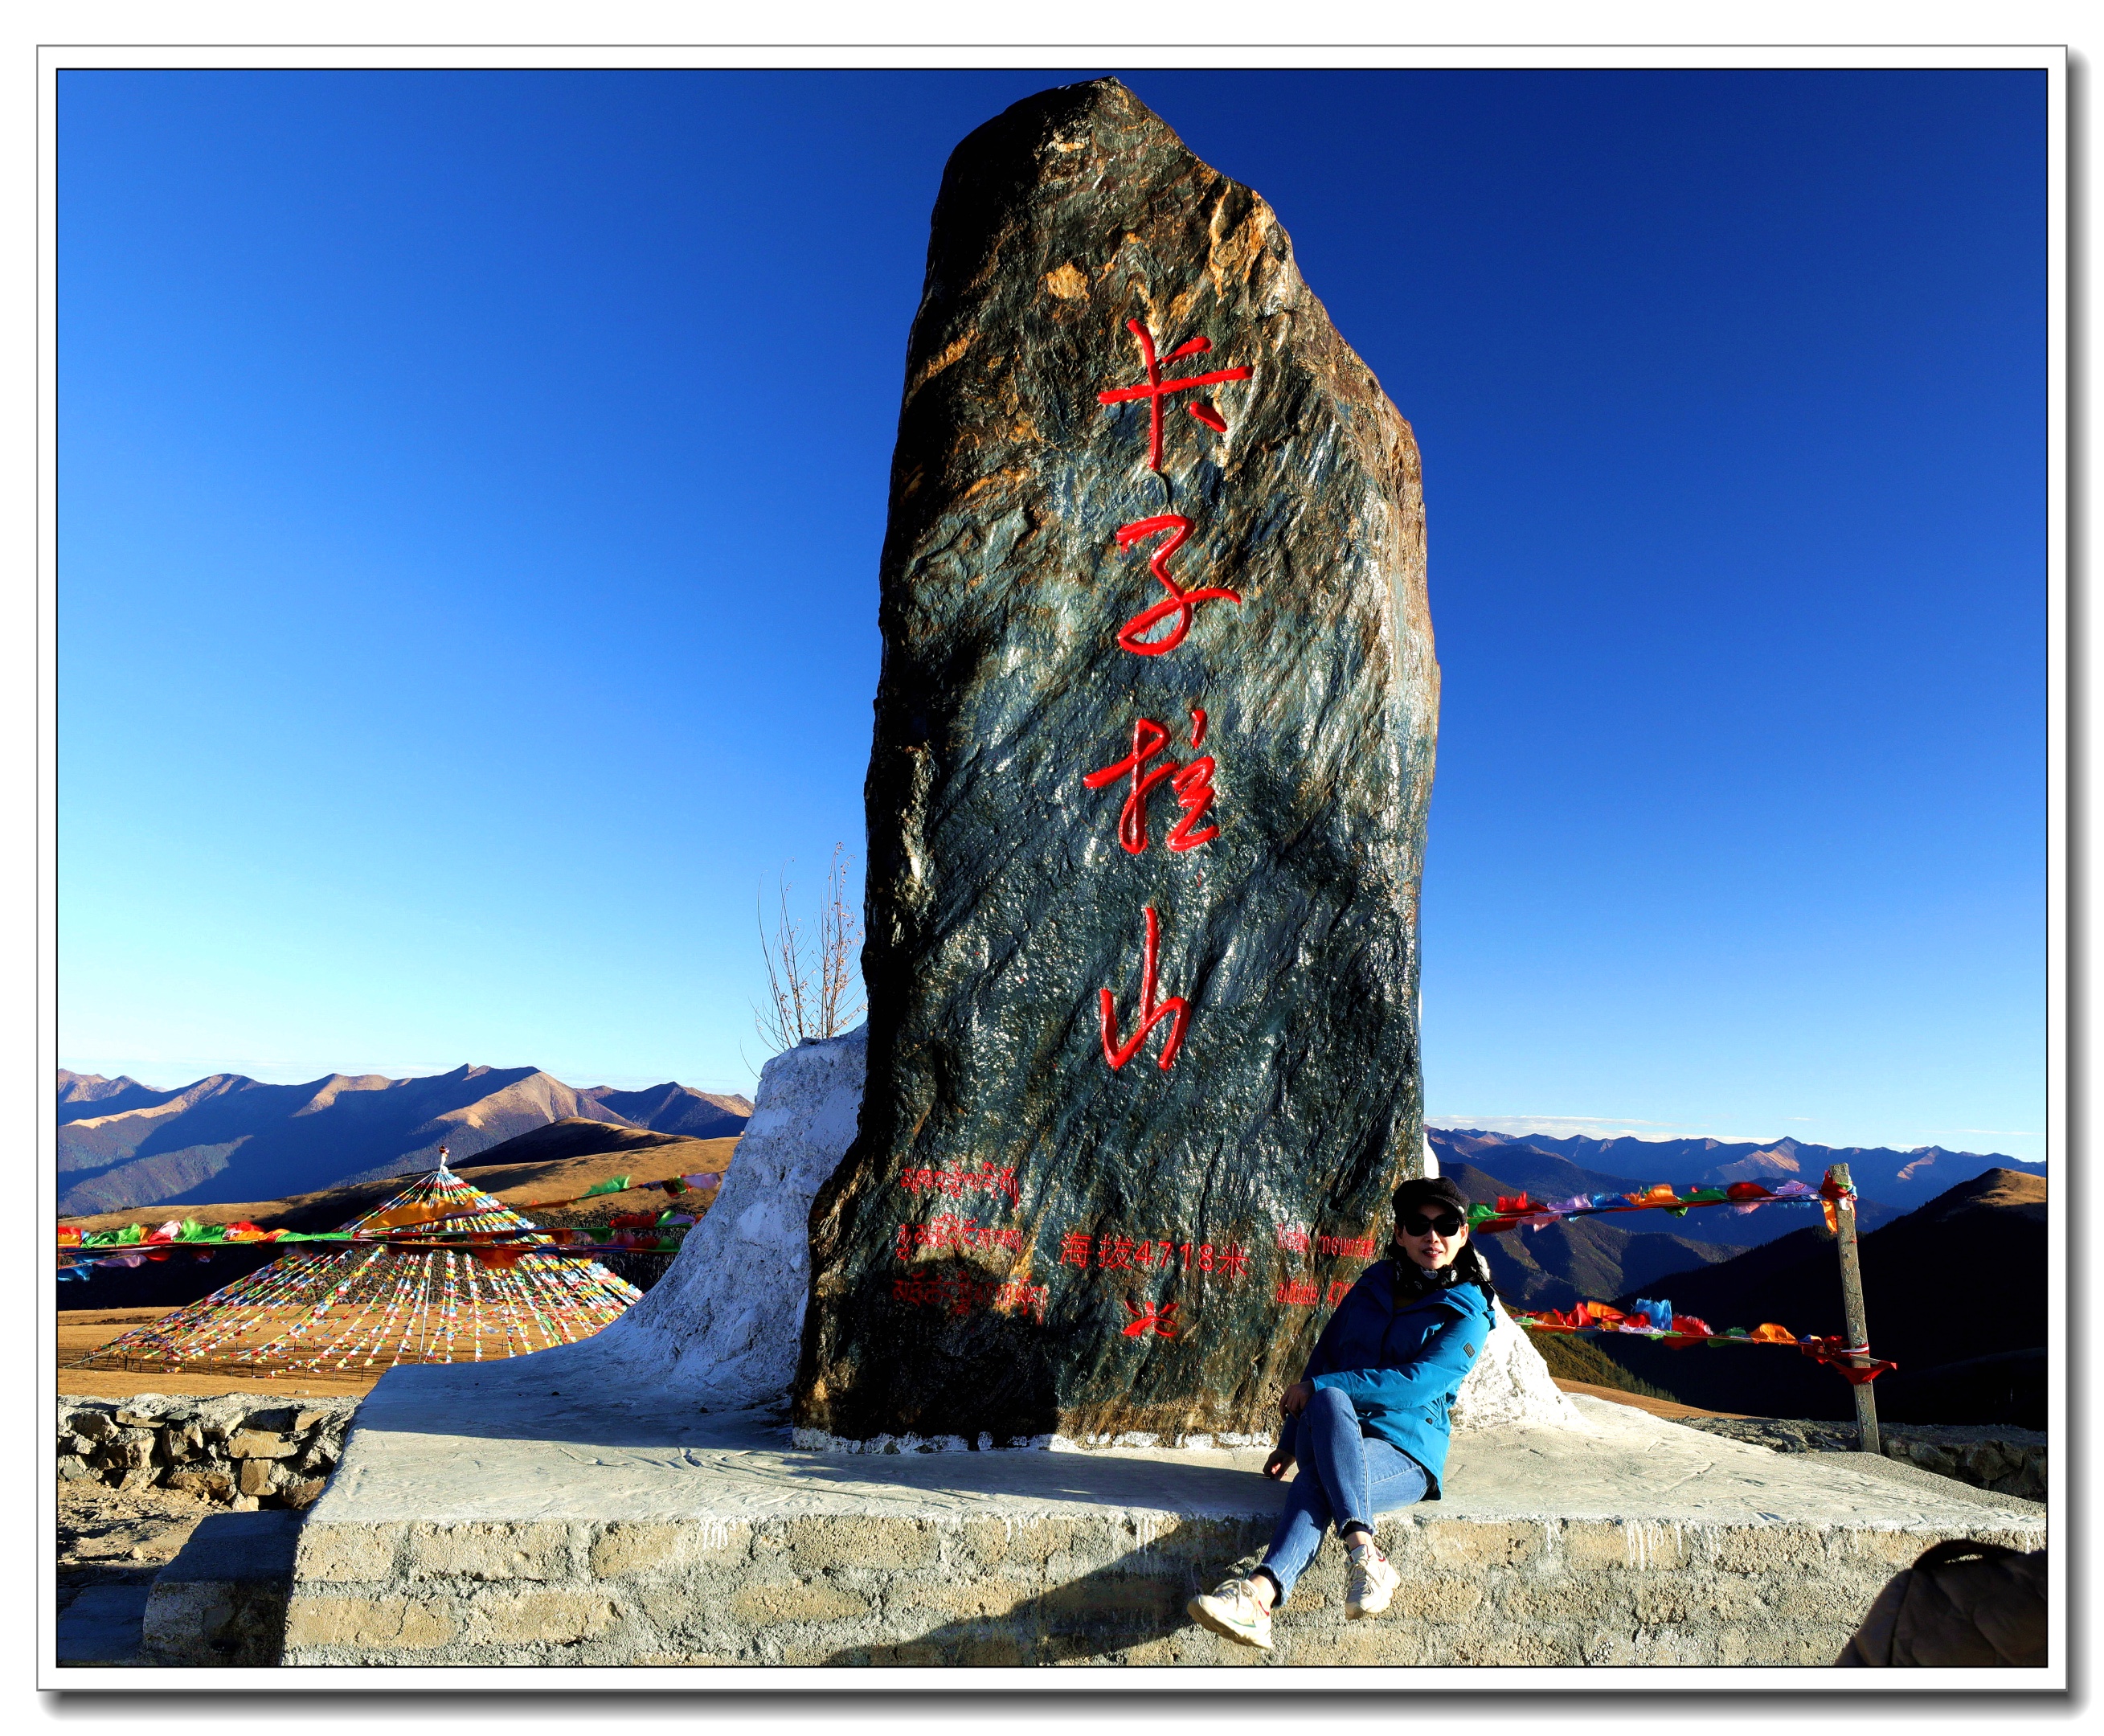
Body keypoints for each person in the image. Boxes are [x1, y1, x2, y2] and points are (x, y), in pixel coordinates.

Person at [1186, 1175, 1496, 1652]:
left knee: (1322, 1473)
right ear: (1400, 1234)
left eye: (1446, 1224)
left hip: (1405, 1449)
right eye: (1418, 1224)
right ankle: (1365, 1554)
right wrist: (1290, 1441)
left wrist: (1324, 1387)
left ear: (1463, 1234)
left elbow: (1419, 1383)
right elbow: (1326, 1355)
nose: (1432, 1236)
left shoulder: (1469, 1312)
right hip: (1332, 1430)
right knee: (1329, 1401)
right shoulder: (1373, 1284)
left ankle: (1259, 1597)